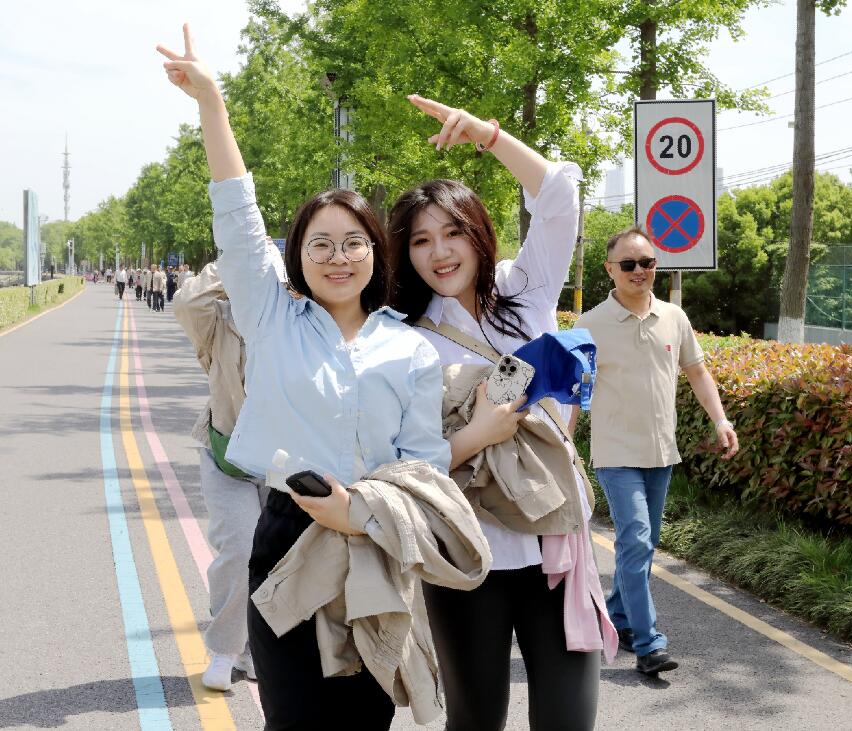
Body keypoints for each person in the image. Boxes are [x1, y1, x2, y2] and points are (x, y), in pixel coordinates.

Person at [158, 26, 483, 730]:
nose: (339, 257)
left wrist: (359, 513)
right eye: (321, 244)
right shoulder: (271, 318)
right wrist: (212, 103)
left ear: (376, 253)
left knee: (364, 721)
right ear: (297, 258)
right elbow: (237, 219)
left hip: (376, 544)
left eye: (354, 242)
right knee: (293, 719)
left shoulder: (410, 350)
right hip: (287, 539)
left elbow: (424, 467)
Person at [389, 95, 610, 731]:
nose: (440, 252)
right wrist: (477, 434)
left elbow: (559, 198)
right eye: (421, 240)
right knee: (475, 720)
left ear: (478, 234)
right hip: (464, 551)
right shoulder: (399, 337)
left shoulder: (524, 291)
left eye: (453, 232)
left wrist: (489, 136)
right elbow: (399, 464)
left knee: (568, 721)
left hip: (554, 540)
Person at [571, 226, 739, 676]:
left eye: (646, 263)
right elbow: (574, 393)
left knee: (642, 547)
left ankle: (619, 618)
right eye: (628, 264)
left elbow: (697, 373)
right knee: (637, 540)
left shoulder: (673, 317)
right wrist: (566, 448)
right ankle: (649, 644)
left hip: (662, 451)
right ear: (610, 269)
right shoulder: (589, 325)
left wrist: (721, 420)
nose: (639, 271)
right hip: (616, 453)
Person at [173, 253, 286, 691]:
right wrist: (238, 259)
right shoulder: (216, 320)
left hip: (281, 460)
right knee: (239, 549)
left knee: (274, 555)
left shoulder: (291, 319)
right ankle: (224, 649)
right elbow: (186, 303)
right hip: (227, 456)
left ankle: (254, 649)